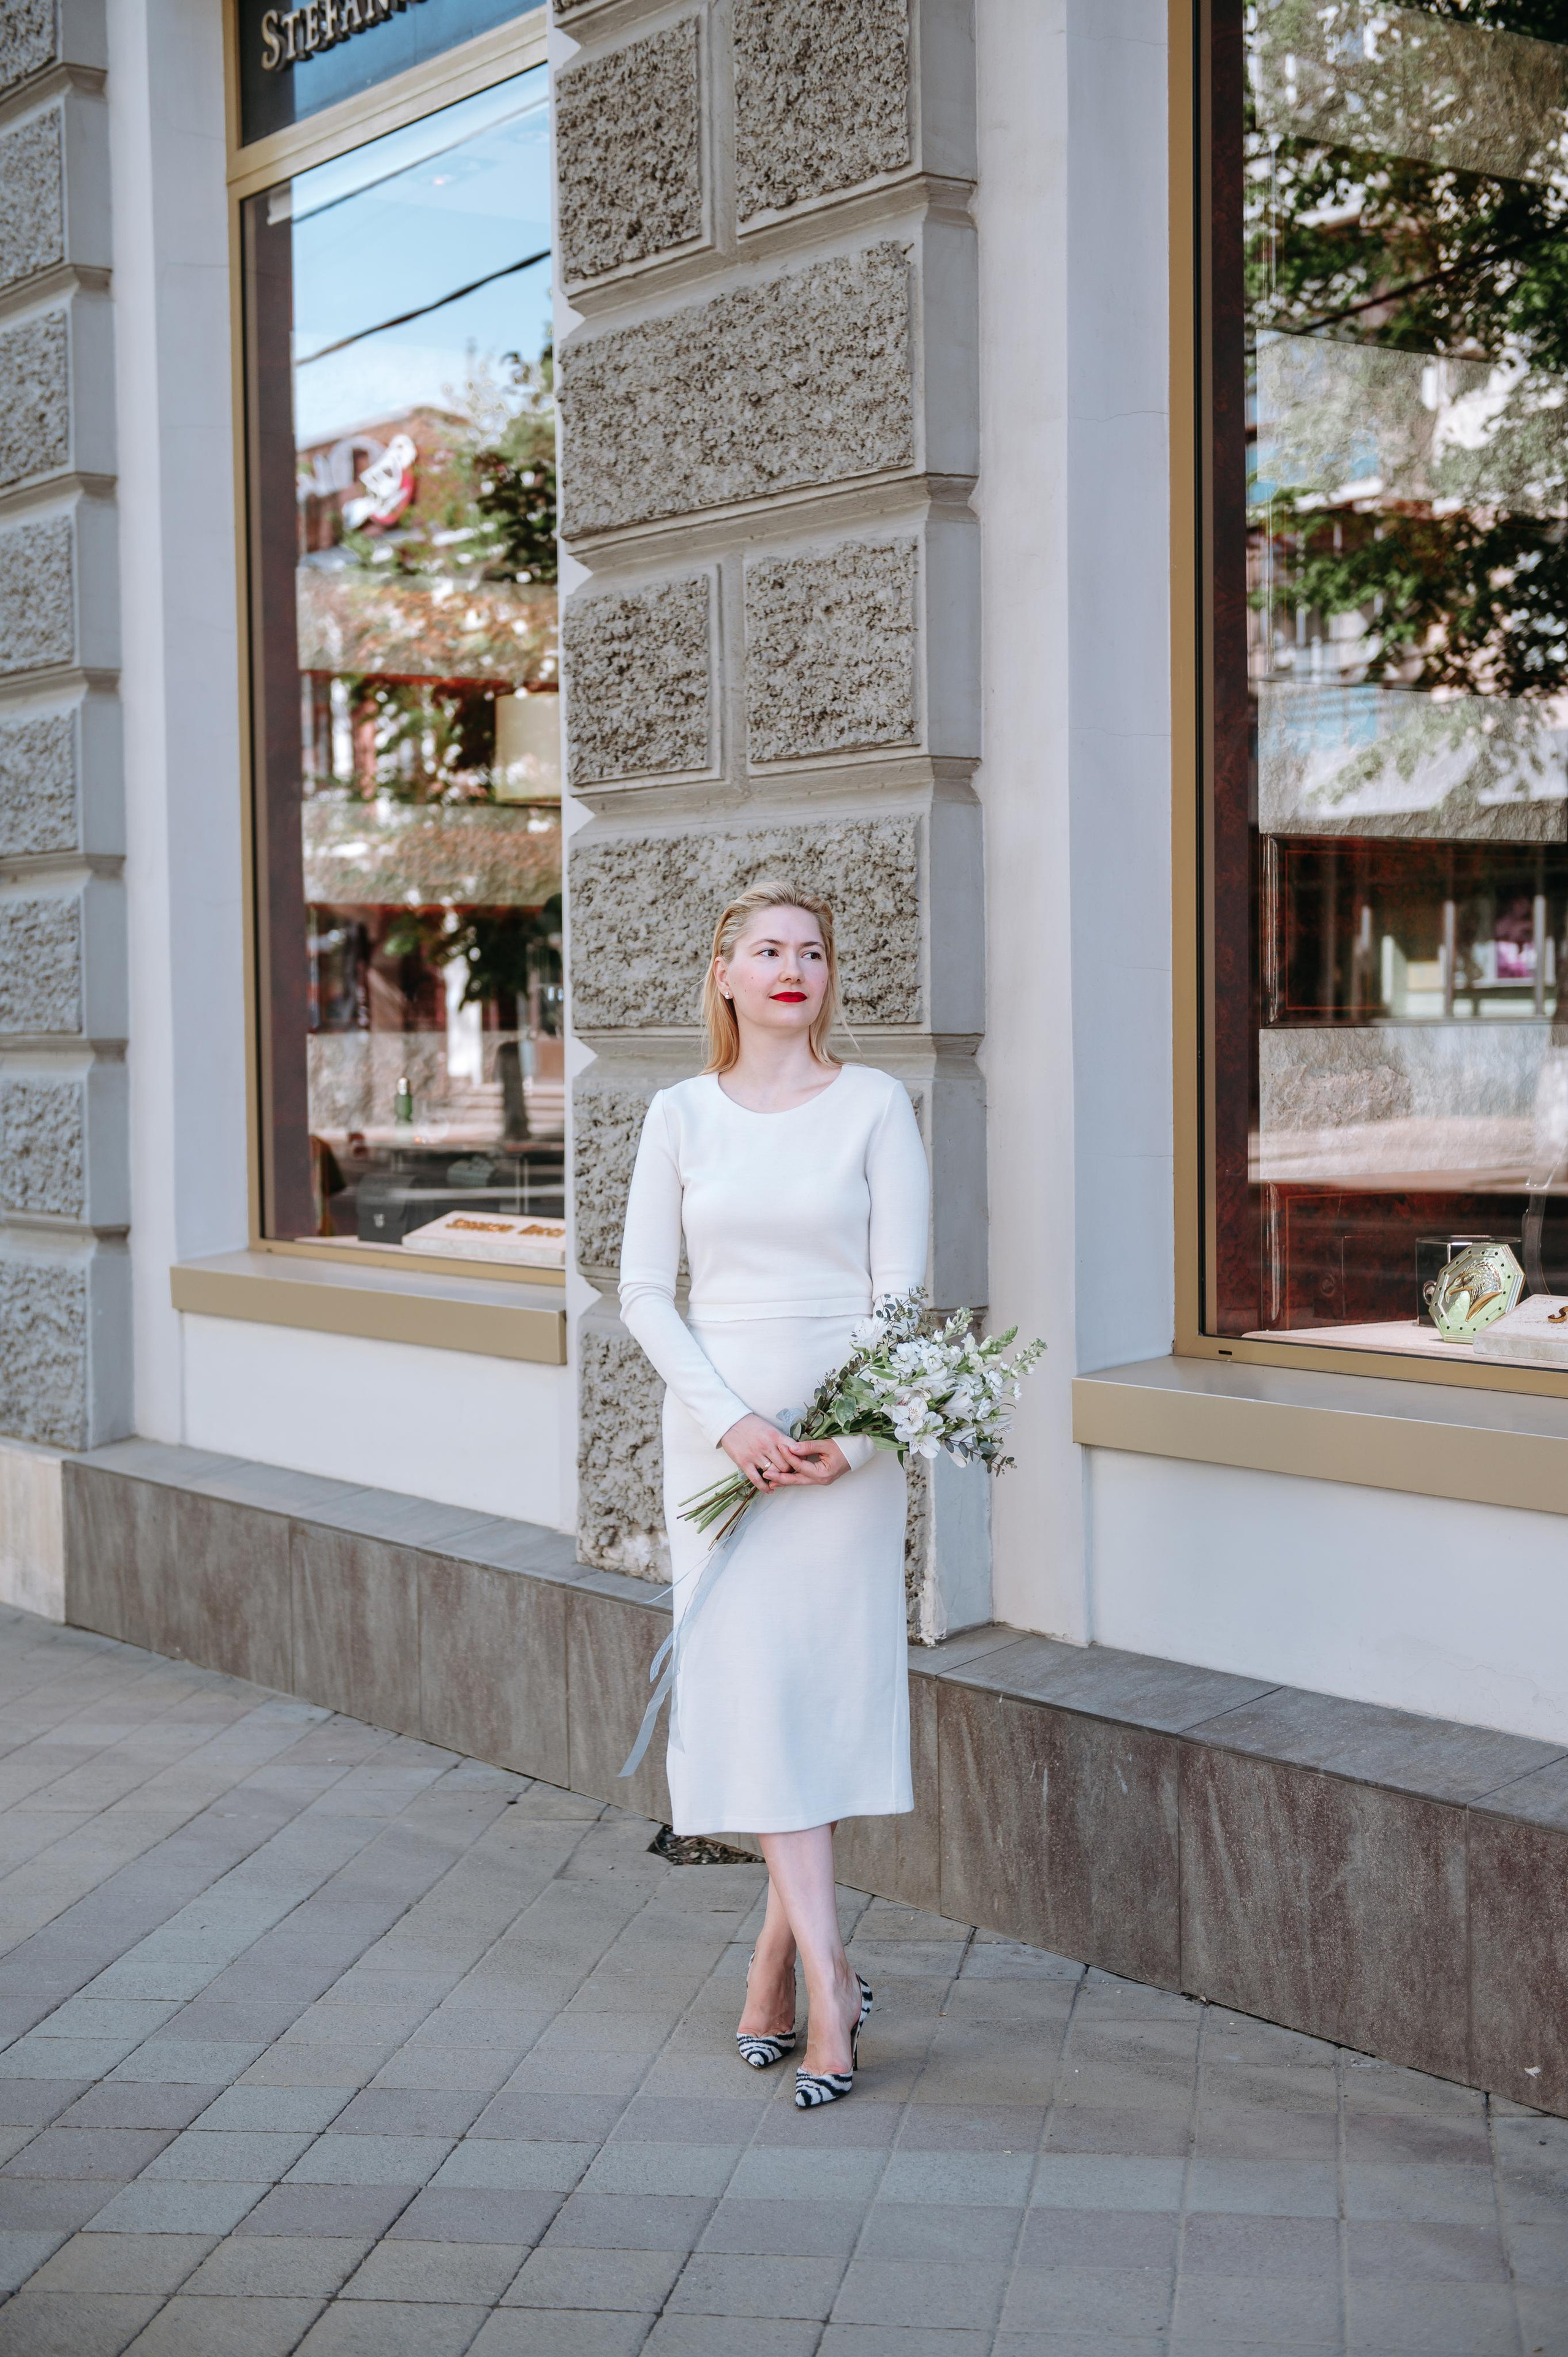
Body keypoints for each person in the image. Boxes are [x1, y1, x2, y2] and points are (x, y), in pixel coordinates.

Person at [619, 879, 929, 2108]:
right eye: (766, 949)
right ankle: (827, 1983)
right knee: (757, 1705)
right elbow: (647, 1291)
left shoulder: (873, 1105)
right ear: (724, 973)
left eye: (810, 948)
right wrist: (730, 1419)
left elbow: (900, 1300)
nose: (791, 965)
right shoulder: (680, 1114)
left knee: (812, 1703)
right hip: (719, 1438)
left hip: (842, 1455)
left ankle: (778, 1978)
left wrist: (851, 1442)